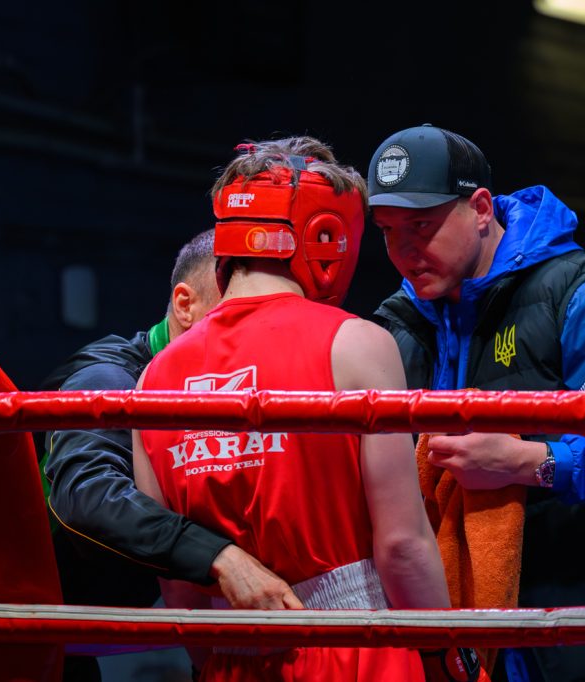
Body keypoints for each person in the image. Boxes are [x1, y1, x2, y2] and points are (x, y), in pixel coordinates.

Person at [367, 124, 585, 682]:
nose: (404, 249)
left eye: (422, 225)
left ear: (480, 209)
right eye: (387, 230)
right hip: (458, 656)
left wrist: (534, 463)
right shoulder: (391, 329)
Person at [132, 137, 472, 682]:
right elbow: (402, 544)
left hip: (227, 660)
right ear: (327, 237)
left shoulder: (154, 376)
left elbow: (175, 578)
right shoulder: (357, 344)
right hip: (354, 650)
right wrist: (446, 657)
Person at [41, 230, 300, 680]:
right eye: (238, 314)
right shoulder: (111, 379)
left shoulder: (212, 394)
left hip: (66, 640)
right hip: (10, 637)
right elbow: (87, 497)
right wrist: (223, 559)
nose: (256, 335)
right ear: (185, 305)